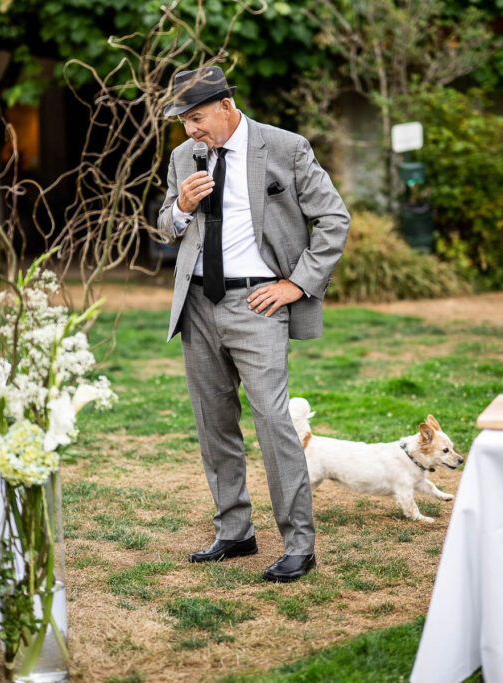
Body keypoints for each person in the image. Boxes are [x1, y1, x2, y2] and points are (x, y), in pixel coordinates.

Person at [158, 66, 350, 582]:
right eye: (182, 122)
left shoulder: (285, 148)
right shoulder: (183, 157)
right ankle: (235, 531)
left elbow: (334, 218)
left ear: (226, 106)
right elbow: (165, 225)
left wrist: (297, 284)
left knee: (272, 420)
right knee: (212, 420)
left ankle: (299, 544)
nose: (190, 131)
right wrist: (181, 205)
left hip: (258, 302)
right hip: (197, 303)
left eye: (196, 118)